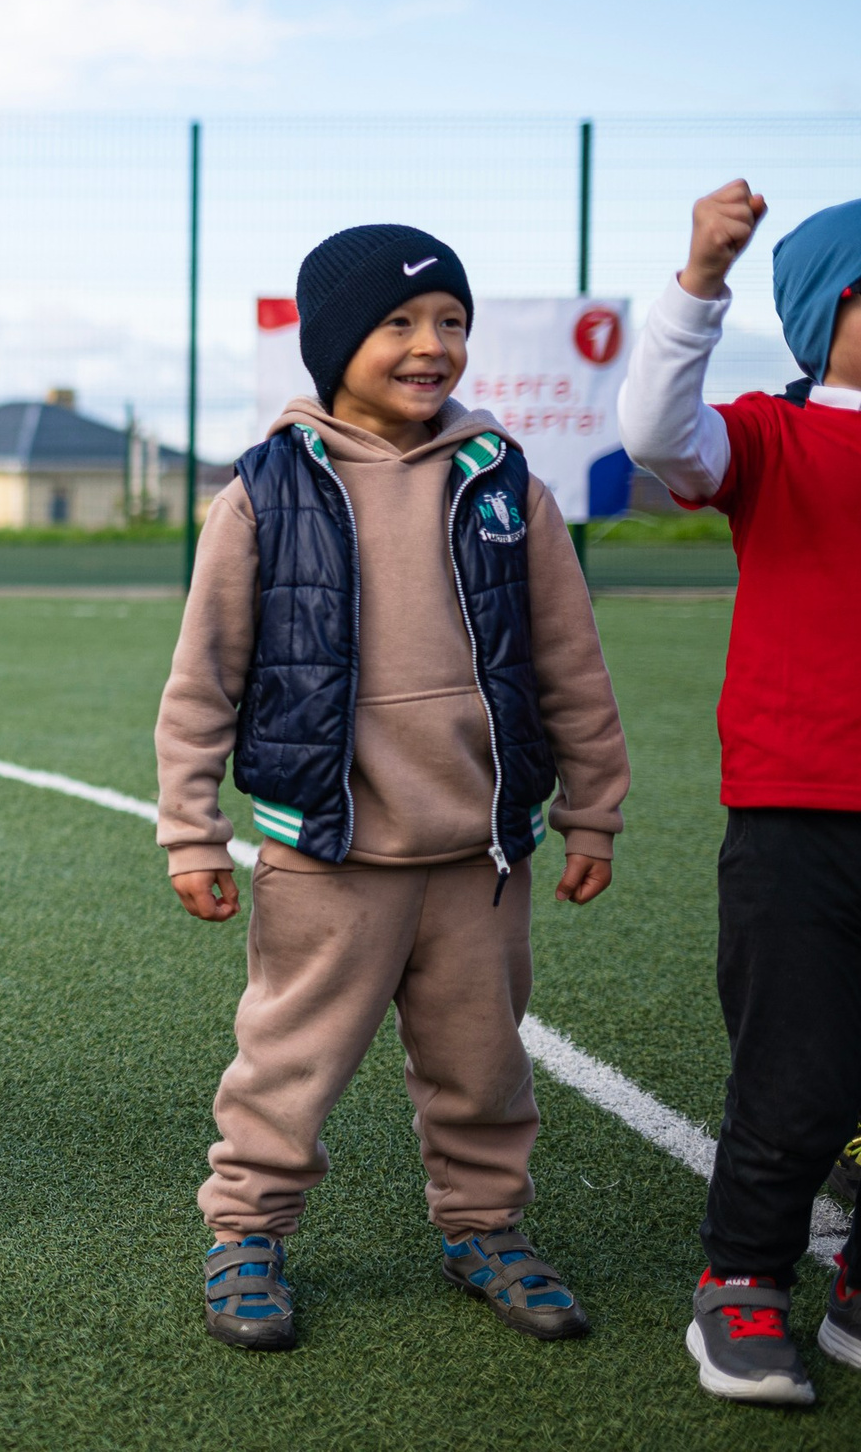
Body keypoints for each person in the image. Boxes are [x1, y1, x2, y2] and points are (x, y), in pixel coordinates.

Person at [157, 223, 630, 1351]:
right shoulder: (265, 490)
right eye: (400, 324)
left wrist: (590, 809)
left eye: (451, 322)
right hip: (327, 852)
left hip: (483, 855)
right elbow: (204, 673)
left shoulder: (504, 482)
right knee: (288, 1062)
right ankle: (247, 1232)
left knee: (482, 1063)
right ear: (333, 345)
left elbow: (567, 658)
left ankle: (484, 1225)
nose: (432, 347)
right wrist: (188, 828)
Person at [617, 182, 861, 1407]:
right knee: (797, 1069)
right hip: (800, 812)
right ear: (834, 311)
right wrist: (700, 281)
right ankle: (744, 1284)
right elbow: (658, 434)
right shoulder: (770, 433)